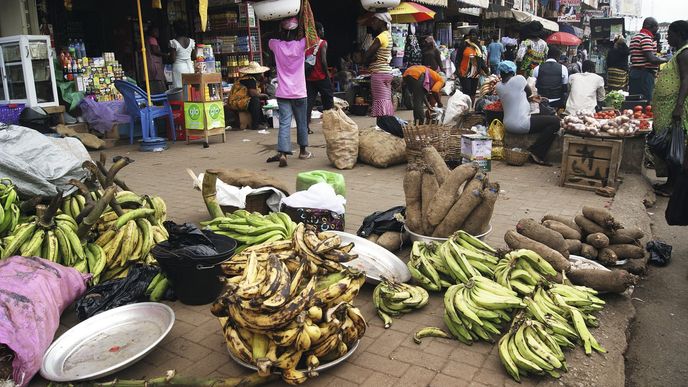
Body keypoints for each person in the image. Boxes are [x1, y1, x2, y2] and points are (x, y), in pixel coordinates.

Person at [495, 61, 561, 165]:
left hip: (507, 124)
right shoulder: (519, 79)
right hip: (521, 123)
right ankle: (536, 152)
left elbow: (516, 97)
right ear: (513, 72)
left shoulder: (498, 86)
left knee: (547, 120)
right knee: (556, 122)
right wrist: (532, 98)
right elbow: (529, 93)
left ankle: (535, 151)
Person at [649, 20, 688, 197]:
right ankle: (670, 183)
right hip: (667, 107)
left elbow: (686, 80)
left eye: (670, 33)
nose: (668, 37)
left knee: (673, 147)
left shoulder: (684, 53)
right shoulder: (679, 52)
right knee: (669, 146)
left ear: (679, 34)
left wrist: (678, 106)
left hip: (675, 107)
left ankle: (673, 187)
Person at [266, 17, 311, 168]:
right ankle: (303, 151)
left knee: (285, 123)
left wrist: (278, 26)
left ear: (282, 30)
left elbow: (269, 38)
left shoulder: (276, 45)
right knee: (301, 122)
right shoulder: (301, 44)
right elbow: (313, 36)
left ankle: (284, 153)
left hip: (283, 92)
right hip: (299, 92)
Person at [364, 11, 395, 117]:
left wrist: (368, 59)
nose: (372, 23)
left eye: (375, 20)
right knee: (386, 100)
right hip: (387, 72)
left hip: (379, 73)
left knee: (379, 100)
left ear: (381, 22)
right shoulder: (388, 35)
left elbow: (367, 55)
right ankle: (387, 122)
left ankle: (382, 123)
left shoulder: (380, 37)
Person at [629, 17, 668, 99]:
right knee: (645, 101)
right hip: (644, 74)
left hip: (635, 72)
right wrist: (666, 59)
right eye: (656, 27)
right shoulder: (646, 38)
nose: (657, 29)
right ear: (650, 26)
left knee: (634, 100)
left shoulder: (635, 37)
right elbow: (652, 59)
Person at [306, 22, 334, 133]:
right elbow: (323, 61)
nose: (323, 32)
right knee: (328, 102)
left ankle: (306, 127)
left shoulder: (306, 44)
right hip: (321, 77)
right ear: (318, 31)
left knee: (308, 103)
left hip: (309, 78)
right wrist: (328, 75)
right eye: (322, 30)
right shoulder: (322, 43)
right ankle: (330, 125)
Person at [228, 62, 269, 130]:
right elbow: (253, 93)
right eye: (260, 74)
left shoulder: (247, 78)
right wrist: (264, 95)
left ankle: (262, 121)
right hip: (236, 102)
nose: (261, 75)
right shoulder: (250, 80)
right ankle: (255, 125)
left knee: (256, 100)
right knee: (255, 101)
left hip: (236, 101)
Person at [455, 29, 487, 102]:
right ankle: (466, 107)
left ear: (477, 36)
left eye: (474, 35)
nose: (472, 36)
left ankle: (471, 108)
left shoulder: (478, 47)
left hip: (475, 72)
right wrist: (458, 69)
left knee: (473, 91)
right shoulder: (464, 45)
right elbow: (458, 58)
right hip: (464, 72)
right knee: (467, 90)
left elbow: (481, 60)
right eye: (471, 34)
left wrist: (486, 71)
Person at [169, 21, 195, 89]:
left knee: (179, 90)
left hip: (179, 68)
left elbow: (173, 59)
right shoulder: (191, 41)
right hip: (190, 68)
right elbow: (194, 56)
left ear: (175, 30)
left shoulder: (174, 42)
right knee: (190, 89)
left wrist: (168, 56)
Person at [145, 26, 167, 94]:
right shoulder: (152, 39)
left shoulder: (146, 39)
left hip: (149, 64)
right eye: (156, 31)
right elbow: (155, 51)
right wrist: (166, 55)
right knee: (158, 83)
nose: (158, 33)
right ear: (151, 32)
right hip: (154, 64)